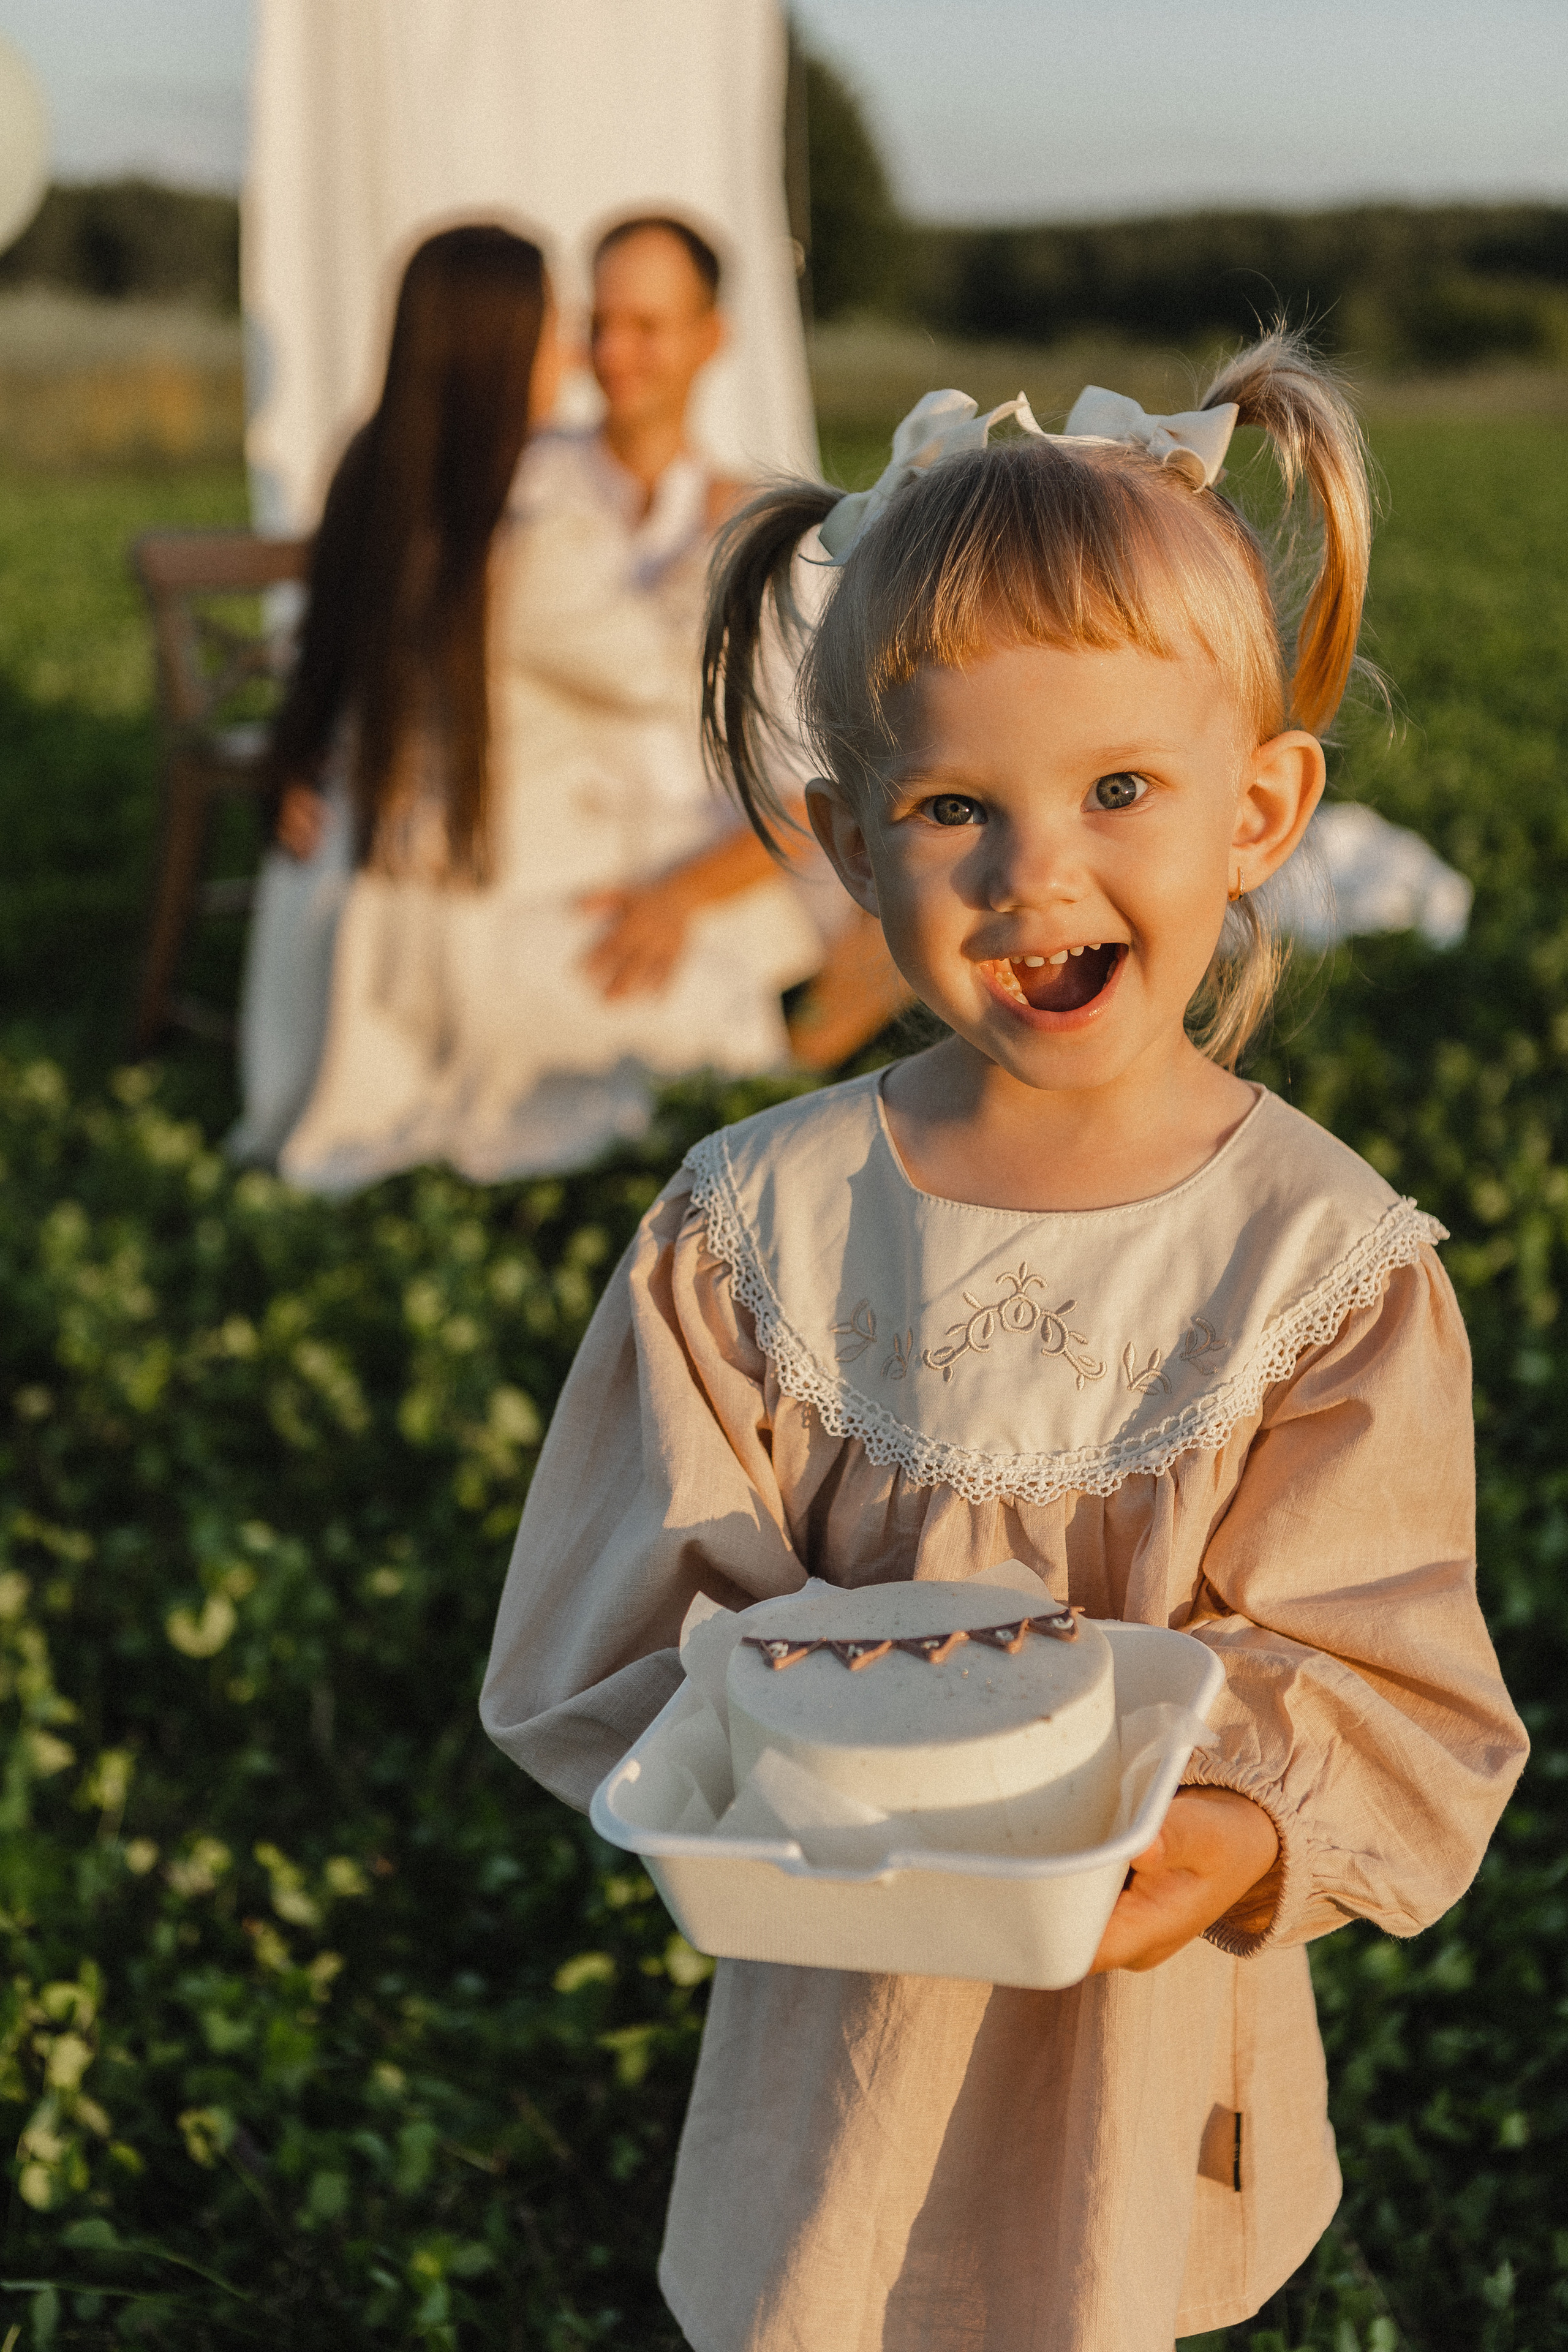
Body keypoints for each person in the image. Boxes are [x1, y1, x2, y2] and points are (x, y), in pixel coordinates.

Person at [479, 333, 1528, 2350]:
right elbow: (617, 1637)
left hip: (1143, 2011)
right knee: (845, 2279)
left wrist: (1227, 1827)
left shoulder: (1319, 1260)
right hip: (843, 1992)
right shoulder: (760, 1227)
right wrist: (781, 1754)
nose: (1038, 871)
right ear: (844, 841)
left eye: (1121, 787)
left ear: (1262, 807)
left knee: (1104, 2292)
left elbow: (1384, 1677)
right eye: (956, 805)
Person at [230, 220, 822, 1190]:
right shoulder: (526, 528)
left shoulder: (382, 465)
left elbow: (321, 650)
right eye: (564, 328)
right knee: (721, 1013)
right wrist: (725, 539)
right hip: (454, 908)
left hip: (333, 896)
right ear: (508, 347)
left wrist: (291, 754)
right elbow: (660, 671)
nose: (580, 354)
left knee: (734, 885)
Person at [517, 212, 908, 1062]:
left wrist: (683, 892)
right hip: (553, 835)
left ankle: (789, 1076)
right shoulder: (528, 484)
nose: (615, 353)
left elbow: (803, 773)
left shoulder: (758, 528)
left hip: (716, 848)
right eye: (600, 325)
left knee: (917, 876)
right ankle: (758, 1075)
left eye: (647, 327)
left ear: (711, 338)